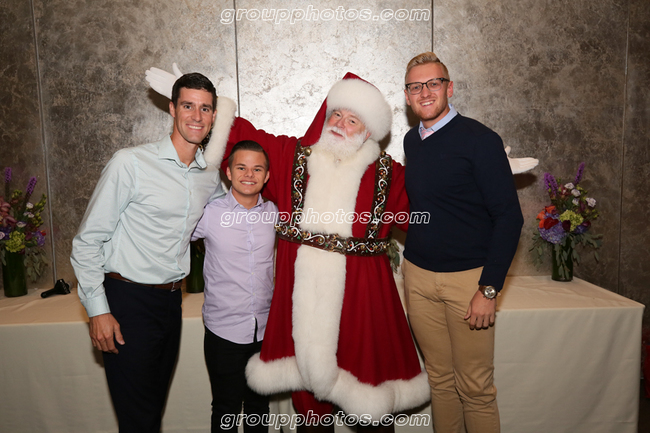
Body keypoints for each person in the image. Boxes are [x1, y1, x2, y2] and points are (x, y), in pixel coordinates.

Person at [146, 68, 430, 425]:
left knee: (370, 407)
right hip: (301, 313)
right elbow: (246, 141)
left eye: (352, 119)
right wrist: (203, 110)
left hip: (362, 310)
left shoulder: (390, 176)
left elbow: (432, 211)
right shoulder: (294, 159)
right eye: (336, 114)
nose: (340, 124)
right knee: (310, 413)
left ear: (369, 130)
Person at [71, 73, 228, 433]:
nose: (197, 116)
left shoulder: (209, 176)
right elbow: (87, 241)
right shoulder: (130, 163)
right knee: (138, 419)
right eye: (188, 106)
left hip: (171, 304)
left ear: (214, 116)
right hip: (127, 302)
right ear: (172, 109)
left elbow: (232, 217)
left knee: (151, 411)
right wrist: (98, 310)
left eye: (205, 108)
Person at [401, 52, 525, 433]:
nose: (425, 92)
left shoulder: (480, 141)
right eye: (415, 86)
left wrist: (489, 289)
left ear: (449, 88)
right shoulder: (411, 141)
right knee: (439, 379)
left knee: (475, 387)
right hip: (418, 278)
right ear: (406, 96)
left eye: (433, 83)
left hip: (468, 282)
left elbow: (509, 217)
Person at [191, 140, 277, 433]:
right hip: (223, 331)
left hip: (264, 330)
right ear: (228, 172)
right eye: (241, 167)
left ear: (267, 175)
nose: (249, 174)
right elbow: (168, 236)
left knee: (259, 408)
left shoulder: (275, 213)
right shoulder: (209, 214)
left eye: (257, 169)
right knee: (225, 408)